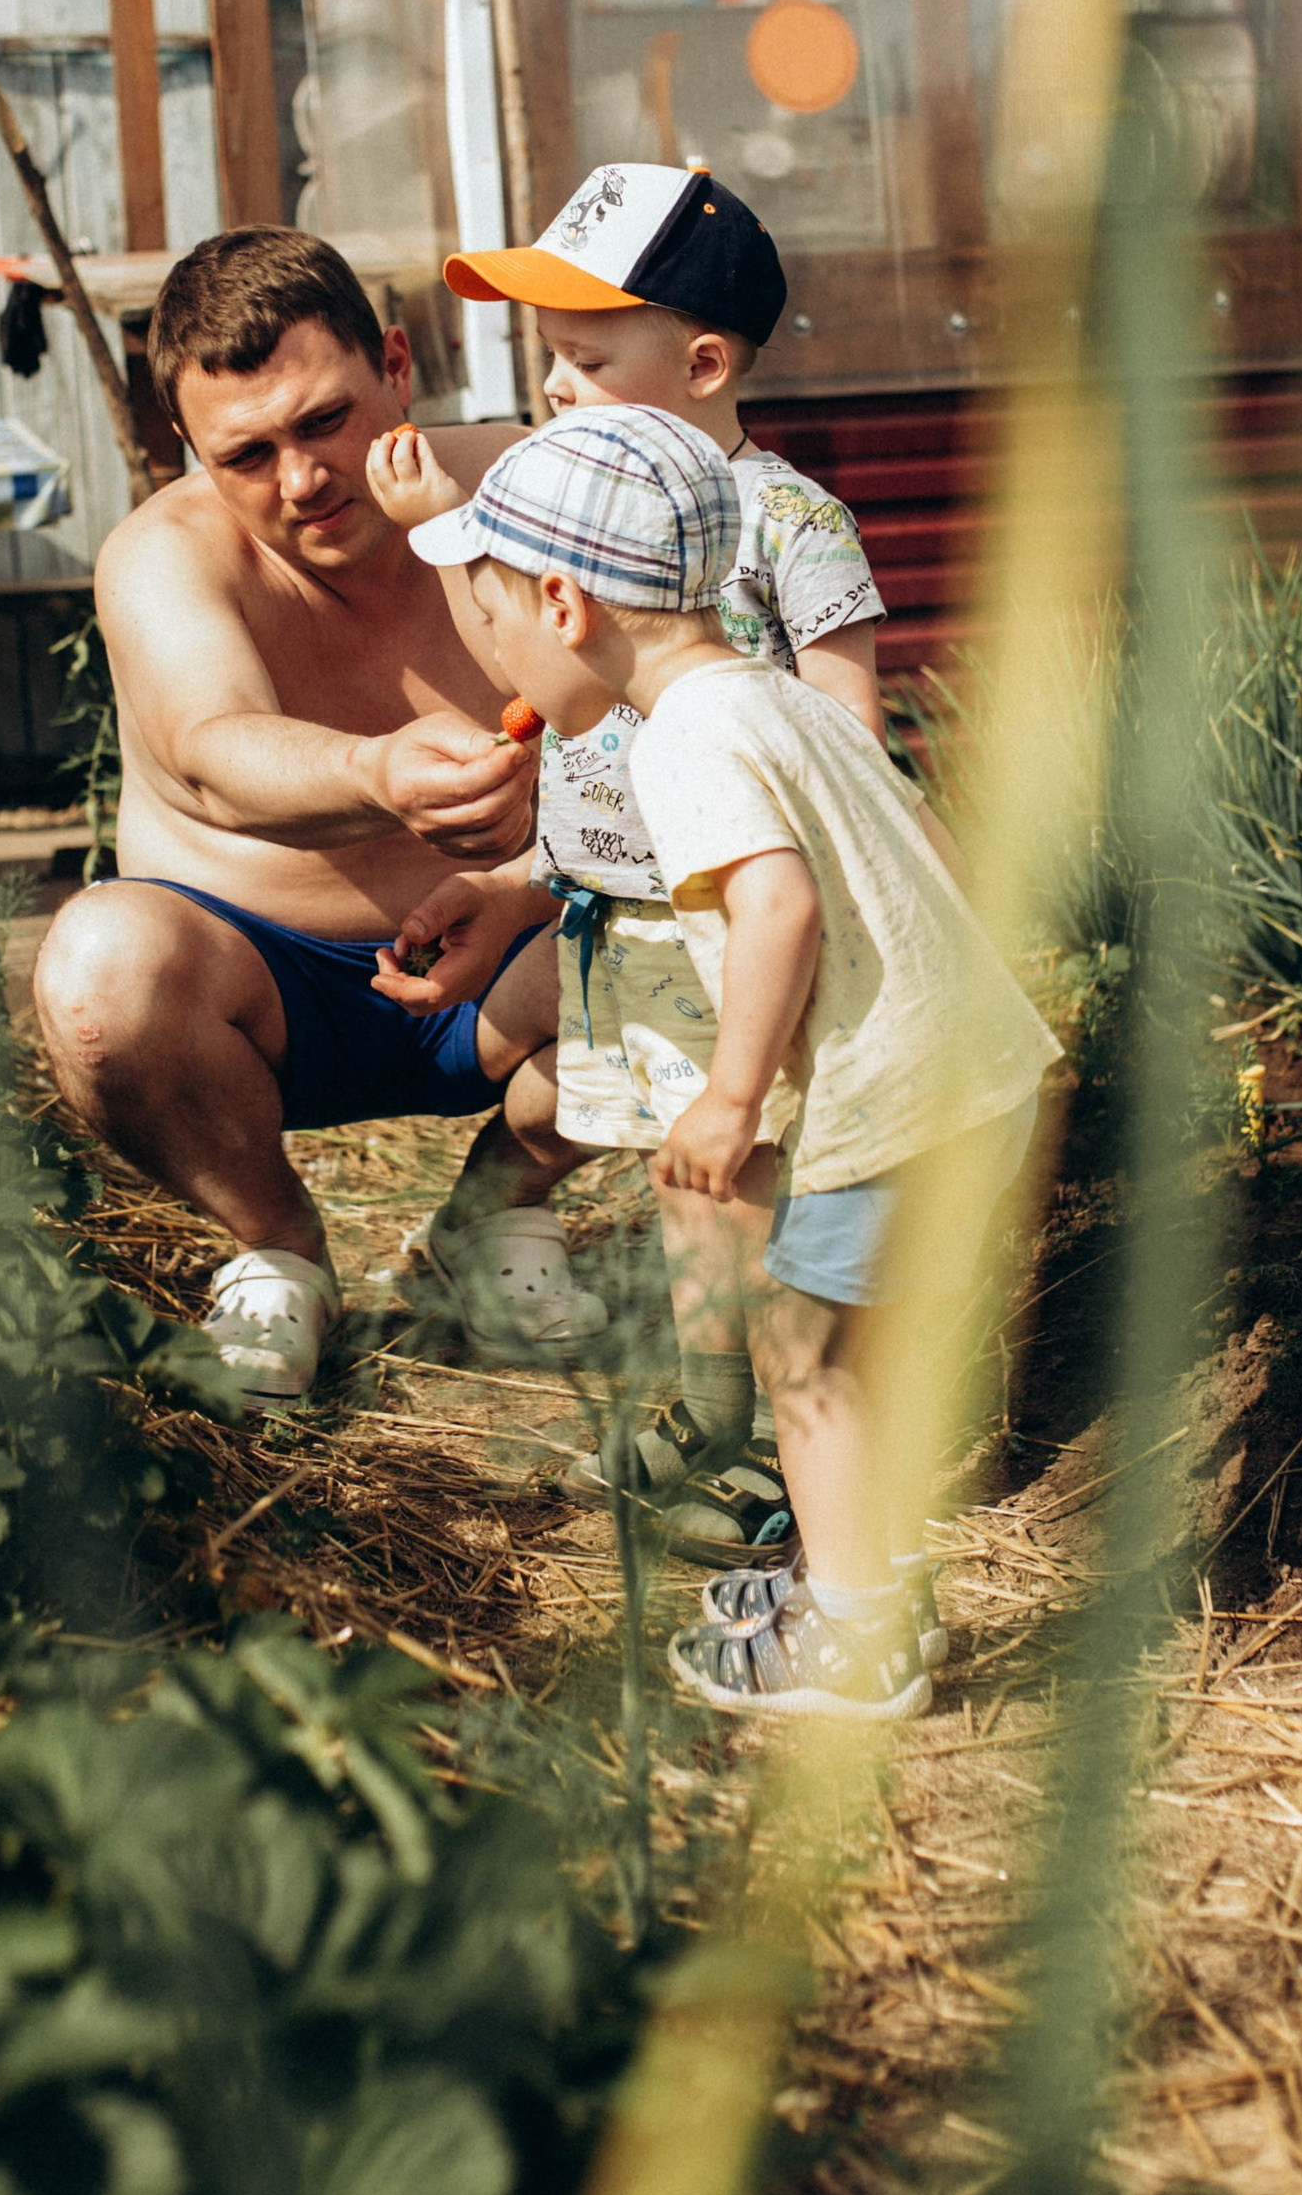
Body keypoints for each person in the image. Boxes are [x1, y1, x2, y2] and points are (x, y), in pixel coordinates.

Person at [404, 402, 1058, 1720]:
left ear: (564, 605)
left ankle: (858, 1644)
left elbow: (780, 908)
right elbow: (919, 842)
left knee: (804, 1365)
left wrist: (730, 1093)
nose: (493, 656)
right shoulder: (777, 699)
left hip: (893, 1105)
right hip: (966, 1079)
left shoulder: (686, 740)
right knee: (853, 1364)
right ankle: (862, 1586)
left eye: (490, 619)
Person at [368, 159, 905, 1566]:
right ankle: (715, 1407)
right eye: (549, 354)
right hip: (618, 921)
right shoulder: (570, 509)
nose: (554, 384)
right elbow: (546, 696)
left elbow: (846, 734)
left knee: (741, 1186)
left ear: (705, 363)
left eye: (588, 357)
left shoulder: (787, 523)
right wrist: (515, 884)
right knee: (673, 1177)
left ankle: (770, 1437)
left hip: (736, 925)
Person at [31, 228, 592, 1405]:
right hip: (265, 995)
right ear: (187, 448)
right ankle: (279, 1248)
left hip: (519, 965)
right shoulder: (159, 555)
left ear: (396, 365)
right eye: (246, 454)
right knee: (99, 969)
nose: (301, 480)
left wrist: (525, 880)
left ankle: (493, 1214)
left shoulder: (529, 485)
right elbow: (209, 751)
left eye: (325, 421)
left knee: (730, 912)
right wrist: (377, 770)